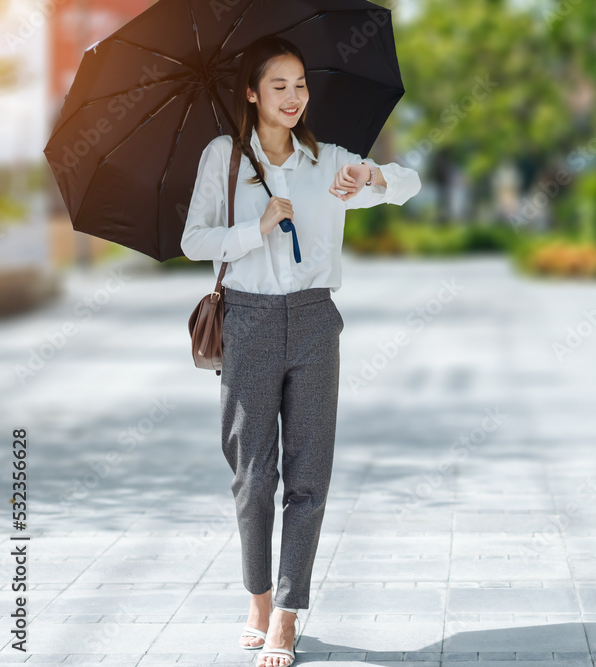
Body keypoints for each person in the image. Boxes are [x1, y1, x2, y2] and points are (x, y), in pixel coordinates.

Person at [180, 36, 420, 667]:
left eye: (301, 85)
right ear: (252, 94)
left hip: (315, 323)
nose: (293, 97)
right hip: (249, 323)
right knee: (252, 476)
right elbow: (192, 239)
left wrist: (371, 175)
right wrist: (251, 230)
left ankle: (286, 615)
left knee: (309, 475)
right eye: (278, 86)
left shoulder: (328, 160)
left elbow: (408, 183)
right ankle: (256, 598)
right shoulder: (223, 158)